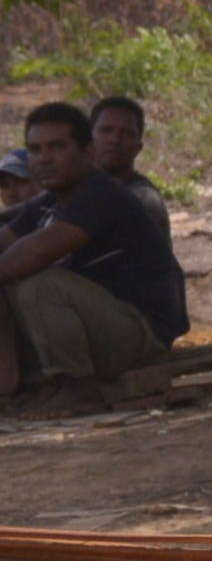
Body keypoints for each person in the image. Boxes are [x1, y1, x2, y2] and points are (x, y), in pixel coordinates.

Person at [0, 98, 188, 407]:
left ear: (87, 152)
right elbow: (6, 239)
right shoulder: (48, 201)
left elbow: (32, 253)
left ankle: (78, 387)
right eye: (35, 150)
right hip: (101, 327)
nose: (44, 158)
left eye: (57, 147)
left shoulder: (102, 194)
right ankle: (25, 385)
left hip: (140, 334)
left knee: (38, 282)